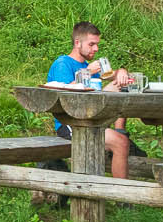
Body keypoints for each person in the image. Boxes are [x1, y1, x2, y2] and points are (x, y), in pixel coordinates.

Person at [46, 21, 140, 178]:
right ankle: (121, 198)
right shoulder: (63, 64)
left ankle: (119, 130)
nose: (95, 49)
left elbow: (110, 75)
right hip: (71, 123)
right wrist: (87, 72)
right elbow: (64, 93)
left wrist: (122, 72)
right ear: (78, 43)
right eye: (91, 44)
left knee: (121, 89)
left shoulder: (89, 66)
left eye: (97, 44)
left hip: (91, 119)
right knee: (121, 143)